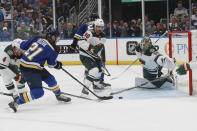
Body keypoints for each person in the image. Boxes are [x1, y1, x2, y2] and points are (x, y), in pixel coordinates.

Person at [8, 28, 71, 112]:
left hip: (32, 66)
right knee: (38, 92)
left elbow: (23, 45)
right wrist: (57, 65)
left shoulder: (38, 38)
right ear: (52, 37)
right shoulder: (54, 49)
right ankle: (16, 102)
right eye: (57, 37)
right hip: (29, 70)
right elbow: (51, 65)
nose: (58, 40)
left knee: (51, 80)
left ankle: (58, 95)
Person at [70, 13, 111, 87]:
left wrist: (74, 44)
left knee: (89, 63)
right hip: (97, 46)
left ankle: (87, 77)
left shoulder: (85, 25)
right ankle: (99, 80)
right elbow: (101, 36)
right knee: (101, 62)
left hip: (87, 46)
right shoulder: (100, 25)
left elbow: (77, 36)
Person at [78, 19, 107, 95]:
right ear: (94, 26)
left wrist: (98, 56)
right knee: (94, 70)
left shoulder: (103, 36)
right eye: (98, 27)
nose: (100, 29)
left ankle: (96, 85)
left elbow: (99, 47)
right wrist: (90, 48)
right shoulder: (89, 33)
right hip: (85, 55)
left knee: (100, 70)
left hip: (94, 56)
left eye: (101, 27)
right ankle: (85, 89)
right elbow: (80, 42)